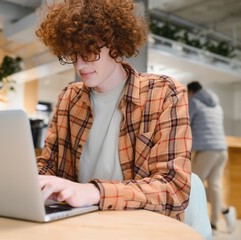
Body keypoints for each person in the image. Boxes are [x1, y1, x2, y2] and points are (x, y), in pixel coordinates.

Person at [35, 0, 192, 221]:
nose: (80, 65)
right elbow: (49, 167)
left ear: (116, 46)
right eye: (73, 54)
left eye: (89, 52)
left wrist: (95, 192)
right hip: (78, 225)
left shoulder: (164, 93)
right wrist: (25, 180)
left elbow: (173, 189)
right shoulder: (69, 98)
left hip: (141, 227)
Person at [187, 81, 237, 233]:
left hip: (206, 150)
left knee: (194, 185)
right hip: (222, 150)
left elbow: (186, 123)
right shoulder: (216, 105)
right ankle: (217, 220)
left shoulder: (194, 102)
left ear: (190, 92)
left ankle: (197, 223)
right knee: (215, 186)